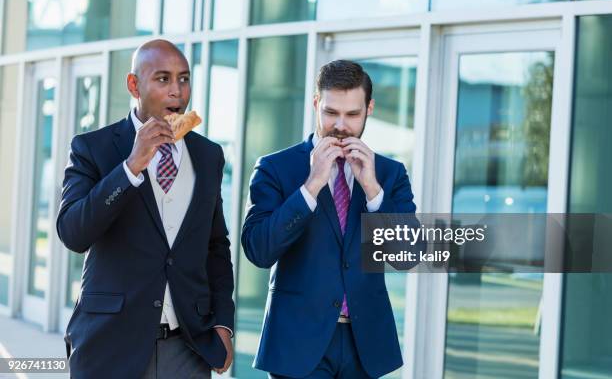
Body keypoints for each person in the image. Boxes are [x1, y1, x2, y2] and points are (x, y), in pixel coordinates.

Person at [56, 39, 234, 378]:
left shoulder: (208, 155)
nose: (177, 92)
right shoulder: (92, 148)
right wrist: (130, 167)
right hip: (109, 345)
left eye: (184, 79)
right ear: (134, 85)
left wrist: (223, 324)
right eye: (163, 79)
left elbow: (216, 246)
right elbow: (73, 233)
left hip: (188, 348)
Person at [241, 60, 417, 378]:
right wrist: (311, 186)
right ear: (315, 105)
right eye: (330, 112)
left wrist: (374, 191)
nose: (340, 125)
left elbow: (409, 256)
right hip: (297, 343)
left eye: (352, 114)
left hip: (365, 345)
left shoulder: (390, 174)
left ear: (369, 109)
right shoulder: (275, 168)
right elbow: (258, 250)